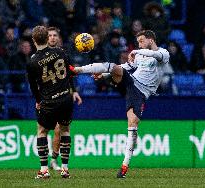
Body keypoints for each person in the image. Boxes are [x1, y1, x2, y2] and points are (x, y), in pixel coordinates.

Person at [73, 30, 170, 178]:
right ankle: (76, 70)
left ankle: (124, 167)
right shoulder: (140, 54)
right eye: (138, 42)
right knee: (113, 66)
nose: (139, 44)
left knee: (133, 125)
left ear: (151, 40)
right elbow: (127, 67)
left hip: (141, 94)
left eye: (142, 41)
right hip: (131, 82)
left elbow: (156, 55)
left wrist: (136, 51)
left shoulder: (163, 53)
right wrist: (105, 74)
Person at [27, 26, 78, 179]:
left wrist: (38, 101)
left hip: (49, 101)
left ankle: (44, 170)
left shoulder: (33, 61)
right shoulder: (61, 52)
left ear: (34, 40)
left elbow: (33, 86)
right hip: (66, 98)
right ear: (47, 38)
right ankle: (65, 168)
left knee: (42, 131)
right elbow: (70, 74)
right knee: (65, 130)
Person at [47, 26, 82, 172]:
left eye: (55, 35)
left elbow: (69, 74)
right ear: (46, 38)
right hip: (48, 96)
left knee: (62, 129)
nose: (53, 38)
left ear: (59, 38)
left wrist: (74, 91)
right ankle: (52, 161)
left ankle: (54, 160)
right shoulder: (41, 55)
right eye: (50, 35)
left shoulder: (63, 54)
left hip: (64, 95)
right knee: (53, 130)